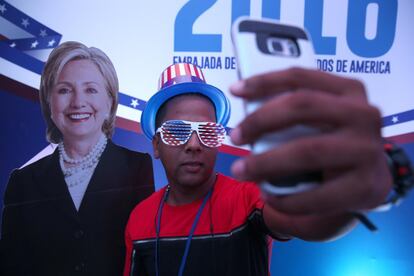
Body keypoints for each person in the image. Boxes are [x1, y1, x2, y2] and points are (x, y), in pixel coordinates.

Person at [123, 63, 392, 276]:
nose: (194, 144)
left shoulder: (246, 198)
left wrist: (349, 192)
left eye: (207, 131)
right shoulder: (140, 219)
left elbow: (310, 221)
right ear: (156, 145)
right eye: (177, 131)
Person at [0, 41, 155, 276]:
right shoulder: (22, 182)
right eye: (64, 90)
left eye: (90, 89)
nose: (77, 102)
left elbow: (144, 263)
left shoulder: (137, 168)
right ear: (49, 102)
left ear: (110, 101)